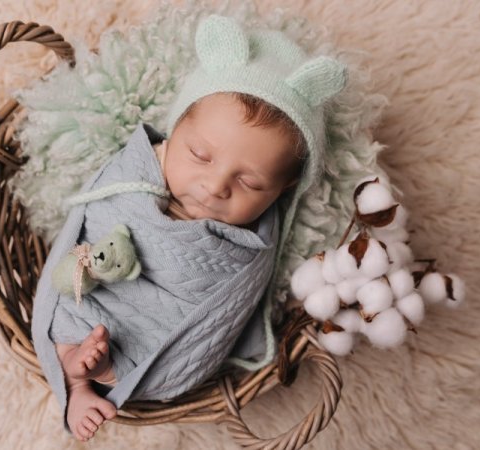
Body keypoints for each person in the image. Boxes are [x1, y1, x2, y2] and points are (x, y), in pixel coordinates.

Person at [31, 14, 347, 442]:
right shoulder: (137, 172)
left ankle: (100, 372)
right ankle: (75, 371)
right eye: (199, 154)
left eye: (250, 182)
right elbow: (95, 219)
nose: (215, 186)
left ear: (283, 190)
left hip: (164, 334)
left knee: (146, 346)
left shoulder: (252, 241)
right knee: (71, 302)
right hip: (94, 294)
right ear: (175, 132)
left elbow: (230, 301)